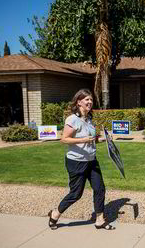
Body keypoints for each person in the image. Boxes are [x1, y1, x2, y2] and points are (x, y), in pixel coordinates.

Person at [47, 89, 115, 231]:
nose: (90, 102)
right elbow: (64, 139)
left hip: (91, 160)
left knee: (99, 188)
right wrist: (84, 139)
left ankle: (99, 220)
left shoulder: (89, 119)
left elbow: (91, 140)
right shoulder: (73, 119)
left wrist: (104, 139)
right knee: (76, 194)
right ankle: (55, 214)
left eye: (91, 100)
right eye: (86, 100)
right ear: (79, 102)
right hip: (76, 162)